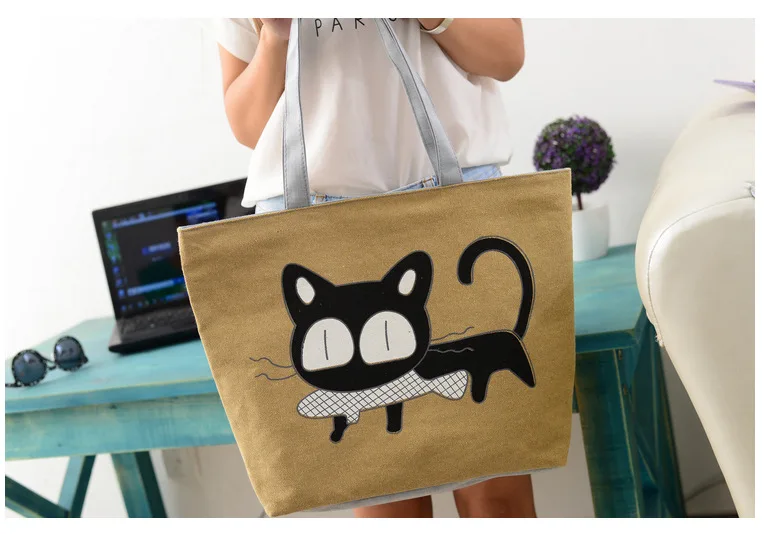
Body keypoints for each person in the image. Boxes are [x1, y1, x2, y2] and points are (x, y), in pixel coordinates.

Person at [210, 17, 533, 519]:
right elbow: (250, 129)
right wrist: (275, 34)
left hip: (454, 200)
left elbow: (506, 55)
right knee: (385, 493)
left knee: (496, 492)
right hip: (315, 229)